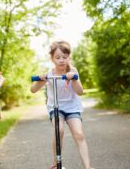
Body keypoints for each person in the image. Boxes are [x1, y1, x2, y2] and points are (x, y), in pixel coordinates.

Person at [31, 40, 94, 169]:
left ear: (68, 57)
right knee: (58, 130)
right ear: (52, 59)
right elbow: (33, 90)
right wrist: (40, 80)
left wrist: (74, 78)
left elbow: (80, 92)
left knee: (79, 134)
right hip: (56, 107)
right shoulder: (49, 74)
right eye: (57, 57)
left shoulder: (73, 70)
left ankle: (88, 167)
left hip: (72, 107)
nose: (61, 60)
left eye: (64, 57)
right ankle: (56, 164)